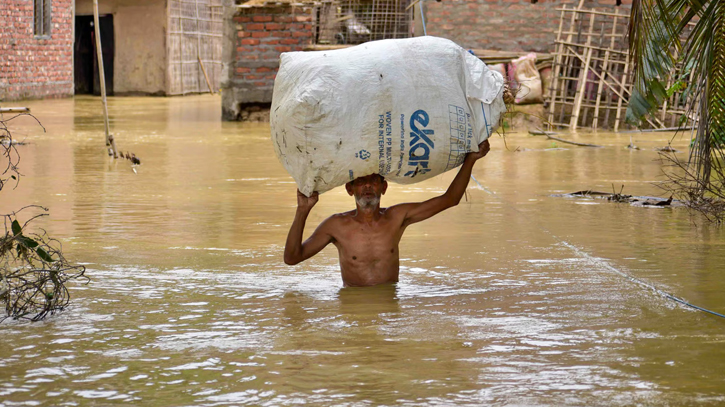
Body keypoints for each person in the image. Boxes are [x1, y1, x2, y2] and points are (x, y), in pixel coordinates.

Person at [284, 140, 491, 287]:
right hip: (354, 306)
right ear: (350, 189)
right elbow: (292, 258)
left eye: (373, 181)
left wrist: (470, 160)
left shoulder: (397, 217)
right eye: (360, 182)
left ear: (383, 188)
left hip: (391, 305)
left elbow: (450, 199)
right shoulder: (336, 226)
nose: (367, 186)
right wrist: (303, 210)